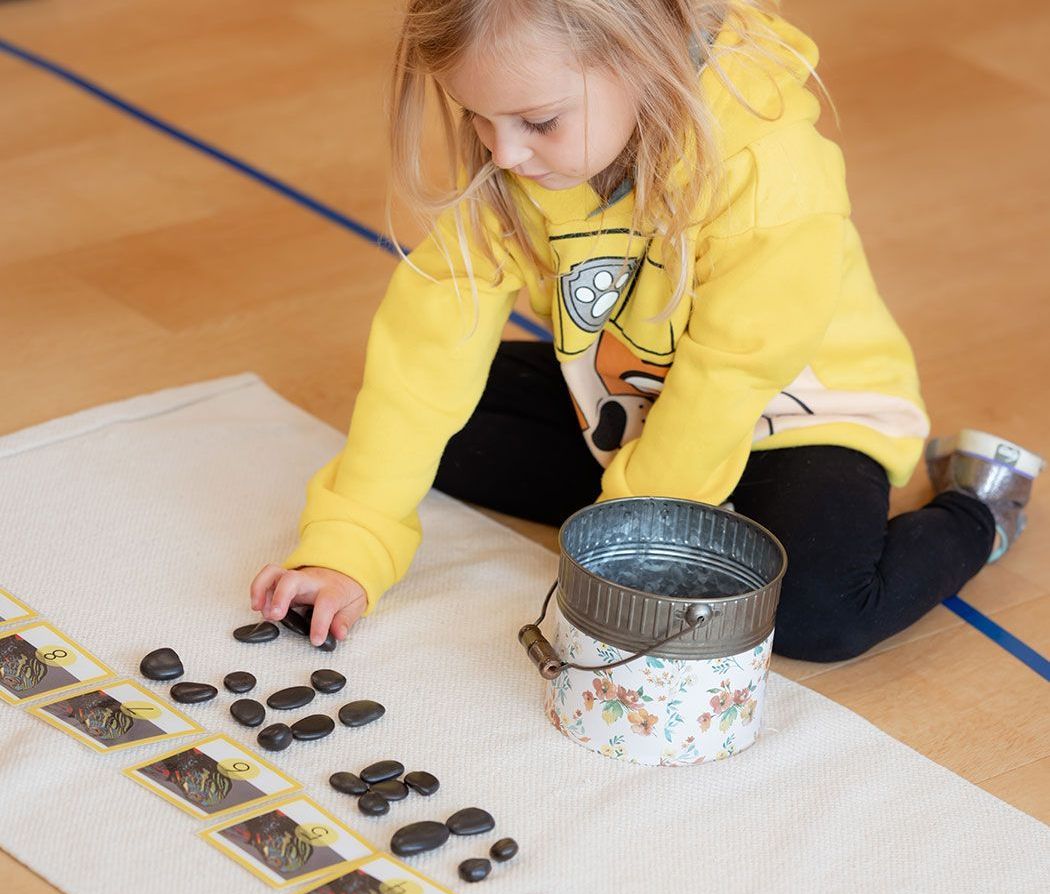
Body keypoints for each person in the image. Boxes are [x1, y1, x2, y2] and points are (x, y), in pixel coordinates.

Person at [250, 0, 1043, 663]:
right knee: (435, 427)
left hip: (798, 417)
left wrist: (632, 542)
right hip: (633, 403)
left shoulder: (772, 170)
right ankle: (672, 501)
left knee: (818, 616)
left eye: (536, 121)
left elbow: (728, 379)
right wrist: (346, 546)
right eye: (478, 119)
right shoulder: (524, 157)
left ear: (646, 55)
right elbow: (424, 359)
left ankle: (980, 506)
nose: (502, 153)